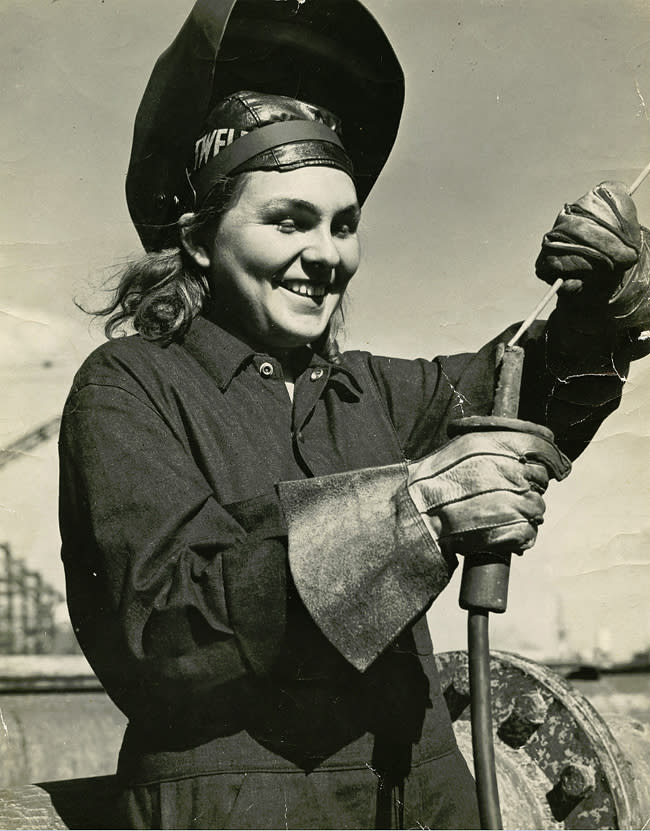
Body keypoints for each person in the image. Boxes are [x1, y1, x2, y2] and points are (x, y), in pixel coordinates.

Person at [58, 1, 650, 828]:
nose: (326, 255)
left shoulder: (377, 393)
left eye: (344, 225)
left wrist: (599, 308)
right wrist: (411, 515)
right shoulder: (126, 386)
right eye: (288, 221)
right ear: (198, 238)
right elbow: (161, 627)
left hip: (428, 803)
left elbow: (526, 394)